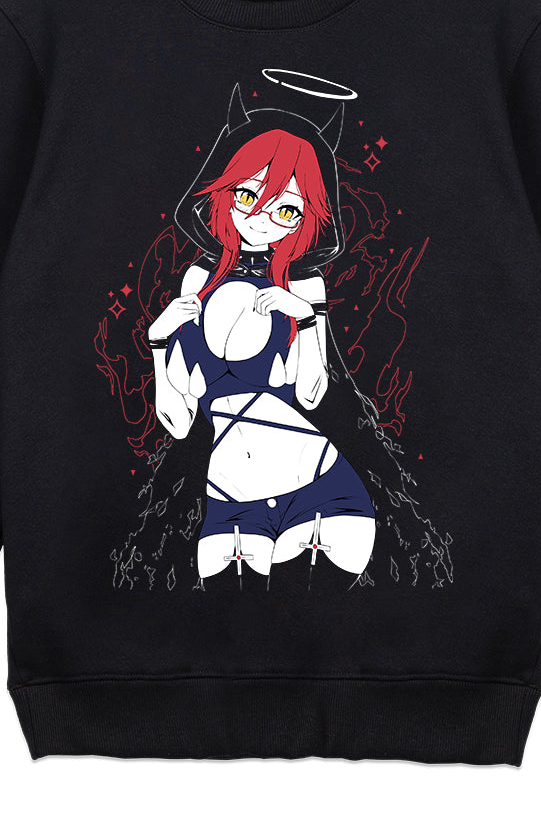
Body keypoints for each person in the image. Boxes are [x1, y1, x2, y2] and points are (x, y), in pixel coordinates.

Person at [146, 86, 376, 589]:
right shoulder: (196, 281)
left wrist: (308, 320)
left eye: (287, 210)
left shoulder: (305, 285)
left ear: (308, 219)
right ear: (222, 191)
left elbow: (311, 396)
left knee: (316, 616)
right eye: (247, 196)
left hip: (321, 489)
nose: (261, 219)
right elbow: (179, 424)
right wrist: (158, 345)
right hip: (229, 501)